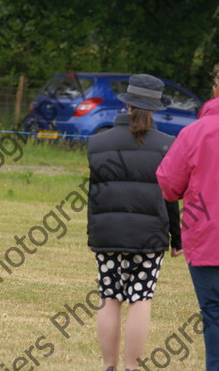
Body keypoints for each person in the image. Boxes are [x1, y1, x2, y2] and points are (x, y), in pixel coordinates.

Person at [86, 74, 182, 371]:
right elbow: (171, 197)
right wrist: (176, 239)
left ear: (126, 104)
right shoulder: (168, 145)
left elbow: (95, 192)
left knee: (109, 296)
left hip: (107, 233)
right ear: (154, 109)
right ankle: (132, 367)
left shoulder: (97, 142)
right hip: (149, 235)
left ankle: (109, 366)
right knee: (141, 299)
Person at [156, 64, 219, 371]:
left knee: (214, 316)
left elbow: (168, 184)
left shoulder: (194, 133)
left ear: (215, 90)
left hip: (207, 241)